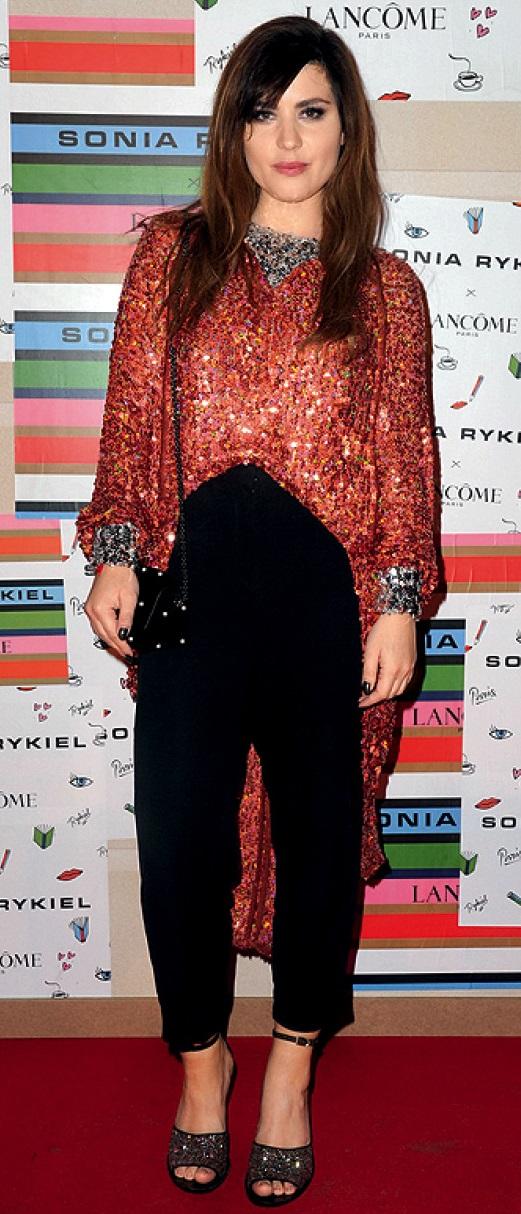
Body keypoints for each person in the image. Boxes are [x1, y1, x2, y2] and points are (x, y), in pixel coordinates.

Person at [75, 14, 439, 1206]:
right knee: (179, 839)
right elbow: (130, 419)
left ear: (346, 130)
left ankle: (288, 1068)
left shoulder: (385, 290)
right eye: (260, 110)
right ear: (231, 130)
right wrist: (116, 551)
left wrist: (398, 600)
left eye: (310, 110)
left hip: (328, 602)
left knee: (318, 845)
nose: (285, 136)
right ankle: (201, 1062)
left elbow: (404, 458)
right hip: (194, 588)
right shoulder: (172, 256)